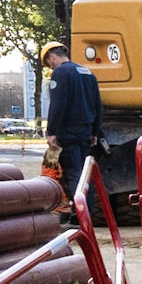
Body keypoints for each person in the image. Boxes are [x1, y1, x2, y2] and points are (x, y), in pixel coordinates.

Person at [41, 41, 104, 217]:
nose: (50, 66)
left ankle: (79, 215)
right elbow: (98, 105)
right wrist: (94, 132)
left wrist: (52, 131)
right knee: (85, 174)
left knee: (73, 173)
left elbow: (58, 105)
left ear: (52, 56)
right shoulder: (87, 73)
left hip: (68, 132)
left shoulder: (61, 73)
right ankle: (86, 213)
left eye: (49, 63)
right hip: (85, 131)